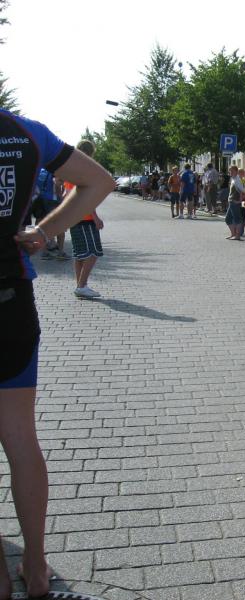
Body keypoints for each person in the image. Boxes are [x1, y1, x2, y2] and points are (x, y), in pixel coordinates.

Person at [2, 109, 114, 599]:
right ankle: (36, 566)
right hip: (10, 298)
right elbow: (99, 182)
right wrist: (44, 232)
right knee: (21, 439)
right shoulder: (24, 132)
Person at [67, 140, 106, 298]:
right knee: (93, 252)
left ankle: (80, 285)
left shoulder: (70, 170)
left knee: (79, 254)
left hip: (73, 217)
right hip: (85, 218)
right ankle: (82, 285)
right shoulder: (84, 171)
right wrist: (95, 217)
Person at [224, 165, 245, 240]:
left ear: (236, 171)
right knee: (228, 219)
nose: (230, 172)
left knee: (237, 219)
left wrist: (239, 201)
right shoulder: (233, 179)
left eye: (232, 171)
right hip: (231, 201)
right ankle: (233, 234)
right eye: (230, 171)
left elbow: (243, 191)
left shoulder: (238, 179)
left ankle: (237, 236)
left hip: (235, 202)